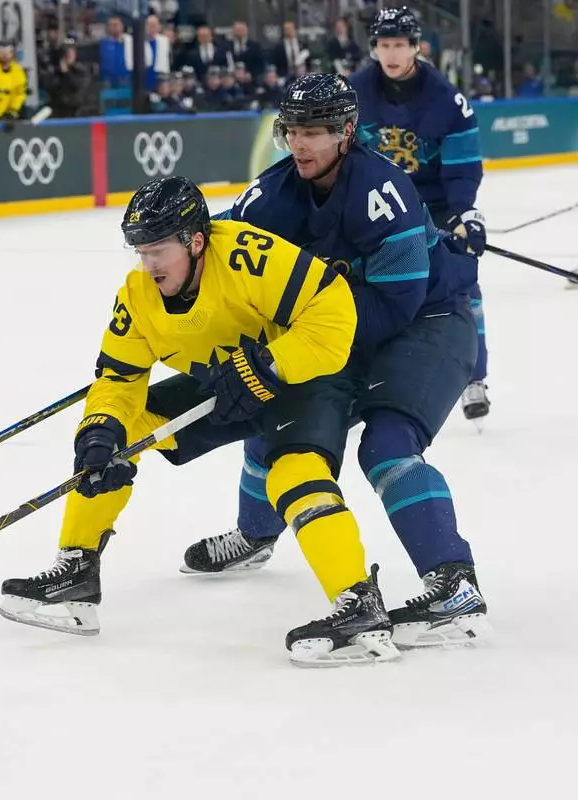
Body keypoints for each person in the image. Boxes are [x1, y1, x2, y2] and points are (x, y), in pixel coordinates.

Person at [0, 175, 407, 667]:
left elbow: (335, 310)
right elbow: (116, 379)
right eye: (140, 251)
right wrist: (101, 427)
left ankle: (358, 602)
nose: (148, 265)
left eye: (158, 251)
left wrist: (269, 366)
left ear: (195, 240)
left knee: (294, 472)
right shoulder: (138, 296)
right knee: (115, 437)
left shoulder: (246, 257)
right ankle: (77, 573)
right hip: (227, 382)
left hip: (303, 376)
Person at [181, 74, 488, 652]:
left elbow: (397, 304)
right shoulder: (275, 192)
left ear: (347, 132)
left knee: (388, 444)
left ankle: (454, 586)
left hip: (430, 322)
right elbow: (226, 255)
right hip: (347, 330)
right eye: (292, 130)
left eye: (315, 131)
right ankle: (255, 535)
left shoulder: (383, 191)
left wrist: (293, 348)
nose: (300, 144)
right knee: (278, 417)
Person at [353, 7, 490, 422]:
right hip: (378, 209)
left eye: (399, 45)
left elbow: (462, 167)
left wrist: (465, 213)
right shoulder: (354, 91)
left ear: (415, 47)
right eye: (383, 45)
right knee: (364, 291)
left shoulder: (447, 99)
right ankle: (360, 381)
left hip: (435, 210)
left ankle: (474, 378)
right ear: (373, 48)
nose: (391, 53)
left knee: (462, 284)